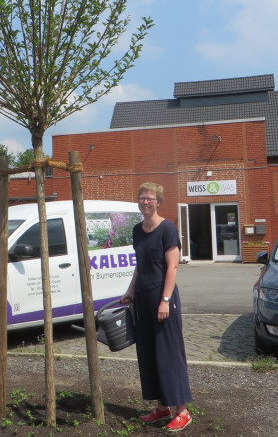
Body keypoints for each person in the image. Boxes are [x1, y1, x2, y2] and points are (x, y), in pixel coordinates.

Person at [120, 182, 193, 431]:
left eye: (150, 198)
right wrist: (130, 291)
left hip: (163, 300)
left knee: (169, 354)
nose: (146, 202)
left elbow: (172, 267)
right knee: (150, 355)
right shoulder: (137, 231)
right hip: (142, 300)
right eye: (142, 197)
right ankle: (162, 407)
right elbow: (141, 264)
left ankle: (183, 410)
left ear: (159, 202)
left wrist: (165, 300)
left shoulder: (167, 229)